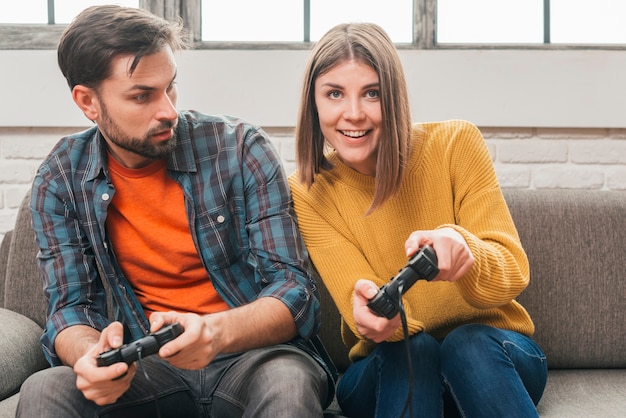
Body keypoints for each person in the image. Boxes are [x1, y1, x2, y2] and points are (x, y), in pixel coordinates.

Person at [18, 5, 336, 417]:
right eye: (142, 96)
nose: (167, 109)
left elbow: (294, 290)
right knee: (46, 389)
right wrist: (88, 355)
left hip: (255, 359)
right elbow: (70, 308)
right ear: (87, 101)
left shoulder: (239, 148)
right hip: (149, 368)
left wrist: (215, 333)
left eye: (171, 87)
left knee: (289, 385)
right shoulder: (61, 178)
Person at [288, 22, 548, 418]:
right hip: (387, 366)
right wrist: (371, 318)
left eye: (371, 93)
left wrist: (465, 252)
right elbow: (356, 302)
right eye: (335, 93)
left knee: (466, 343)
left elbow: (513, 272)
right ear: (314, 103)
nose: (353, 114)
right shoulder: (309, 191)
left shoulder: (457, 144)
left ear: (393, 97)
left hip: (494, 357)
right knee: (415, 348)